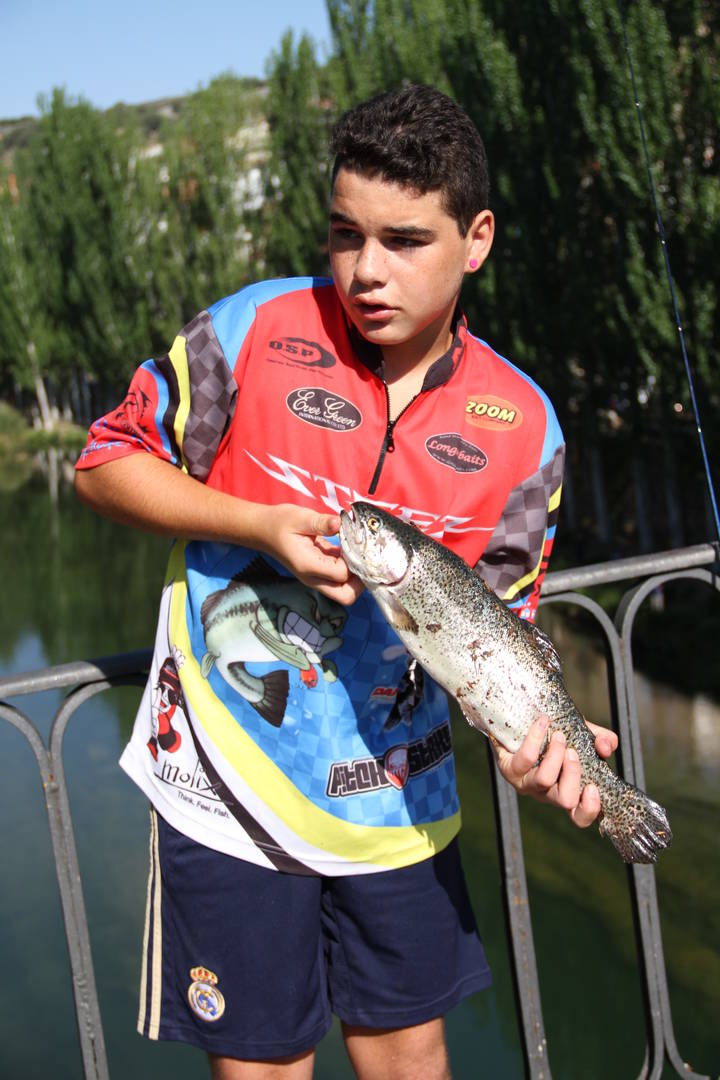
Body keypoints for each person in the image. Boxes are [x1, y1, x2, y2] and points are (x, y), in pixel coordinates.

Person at [75, 85, 617, 1080]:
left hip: (399, 798)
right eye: (344, 234)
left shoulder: (527, 426)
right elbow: (103, 462)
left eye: (405, 240)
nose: (366, 271)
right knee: (265, 1068)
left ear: (478, 237)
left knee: (412, 1060)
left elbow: (498, 635)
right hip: (226, 784)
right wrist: (257, 526)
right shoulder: (248, 331)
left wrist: (526, 748)